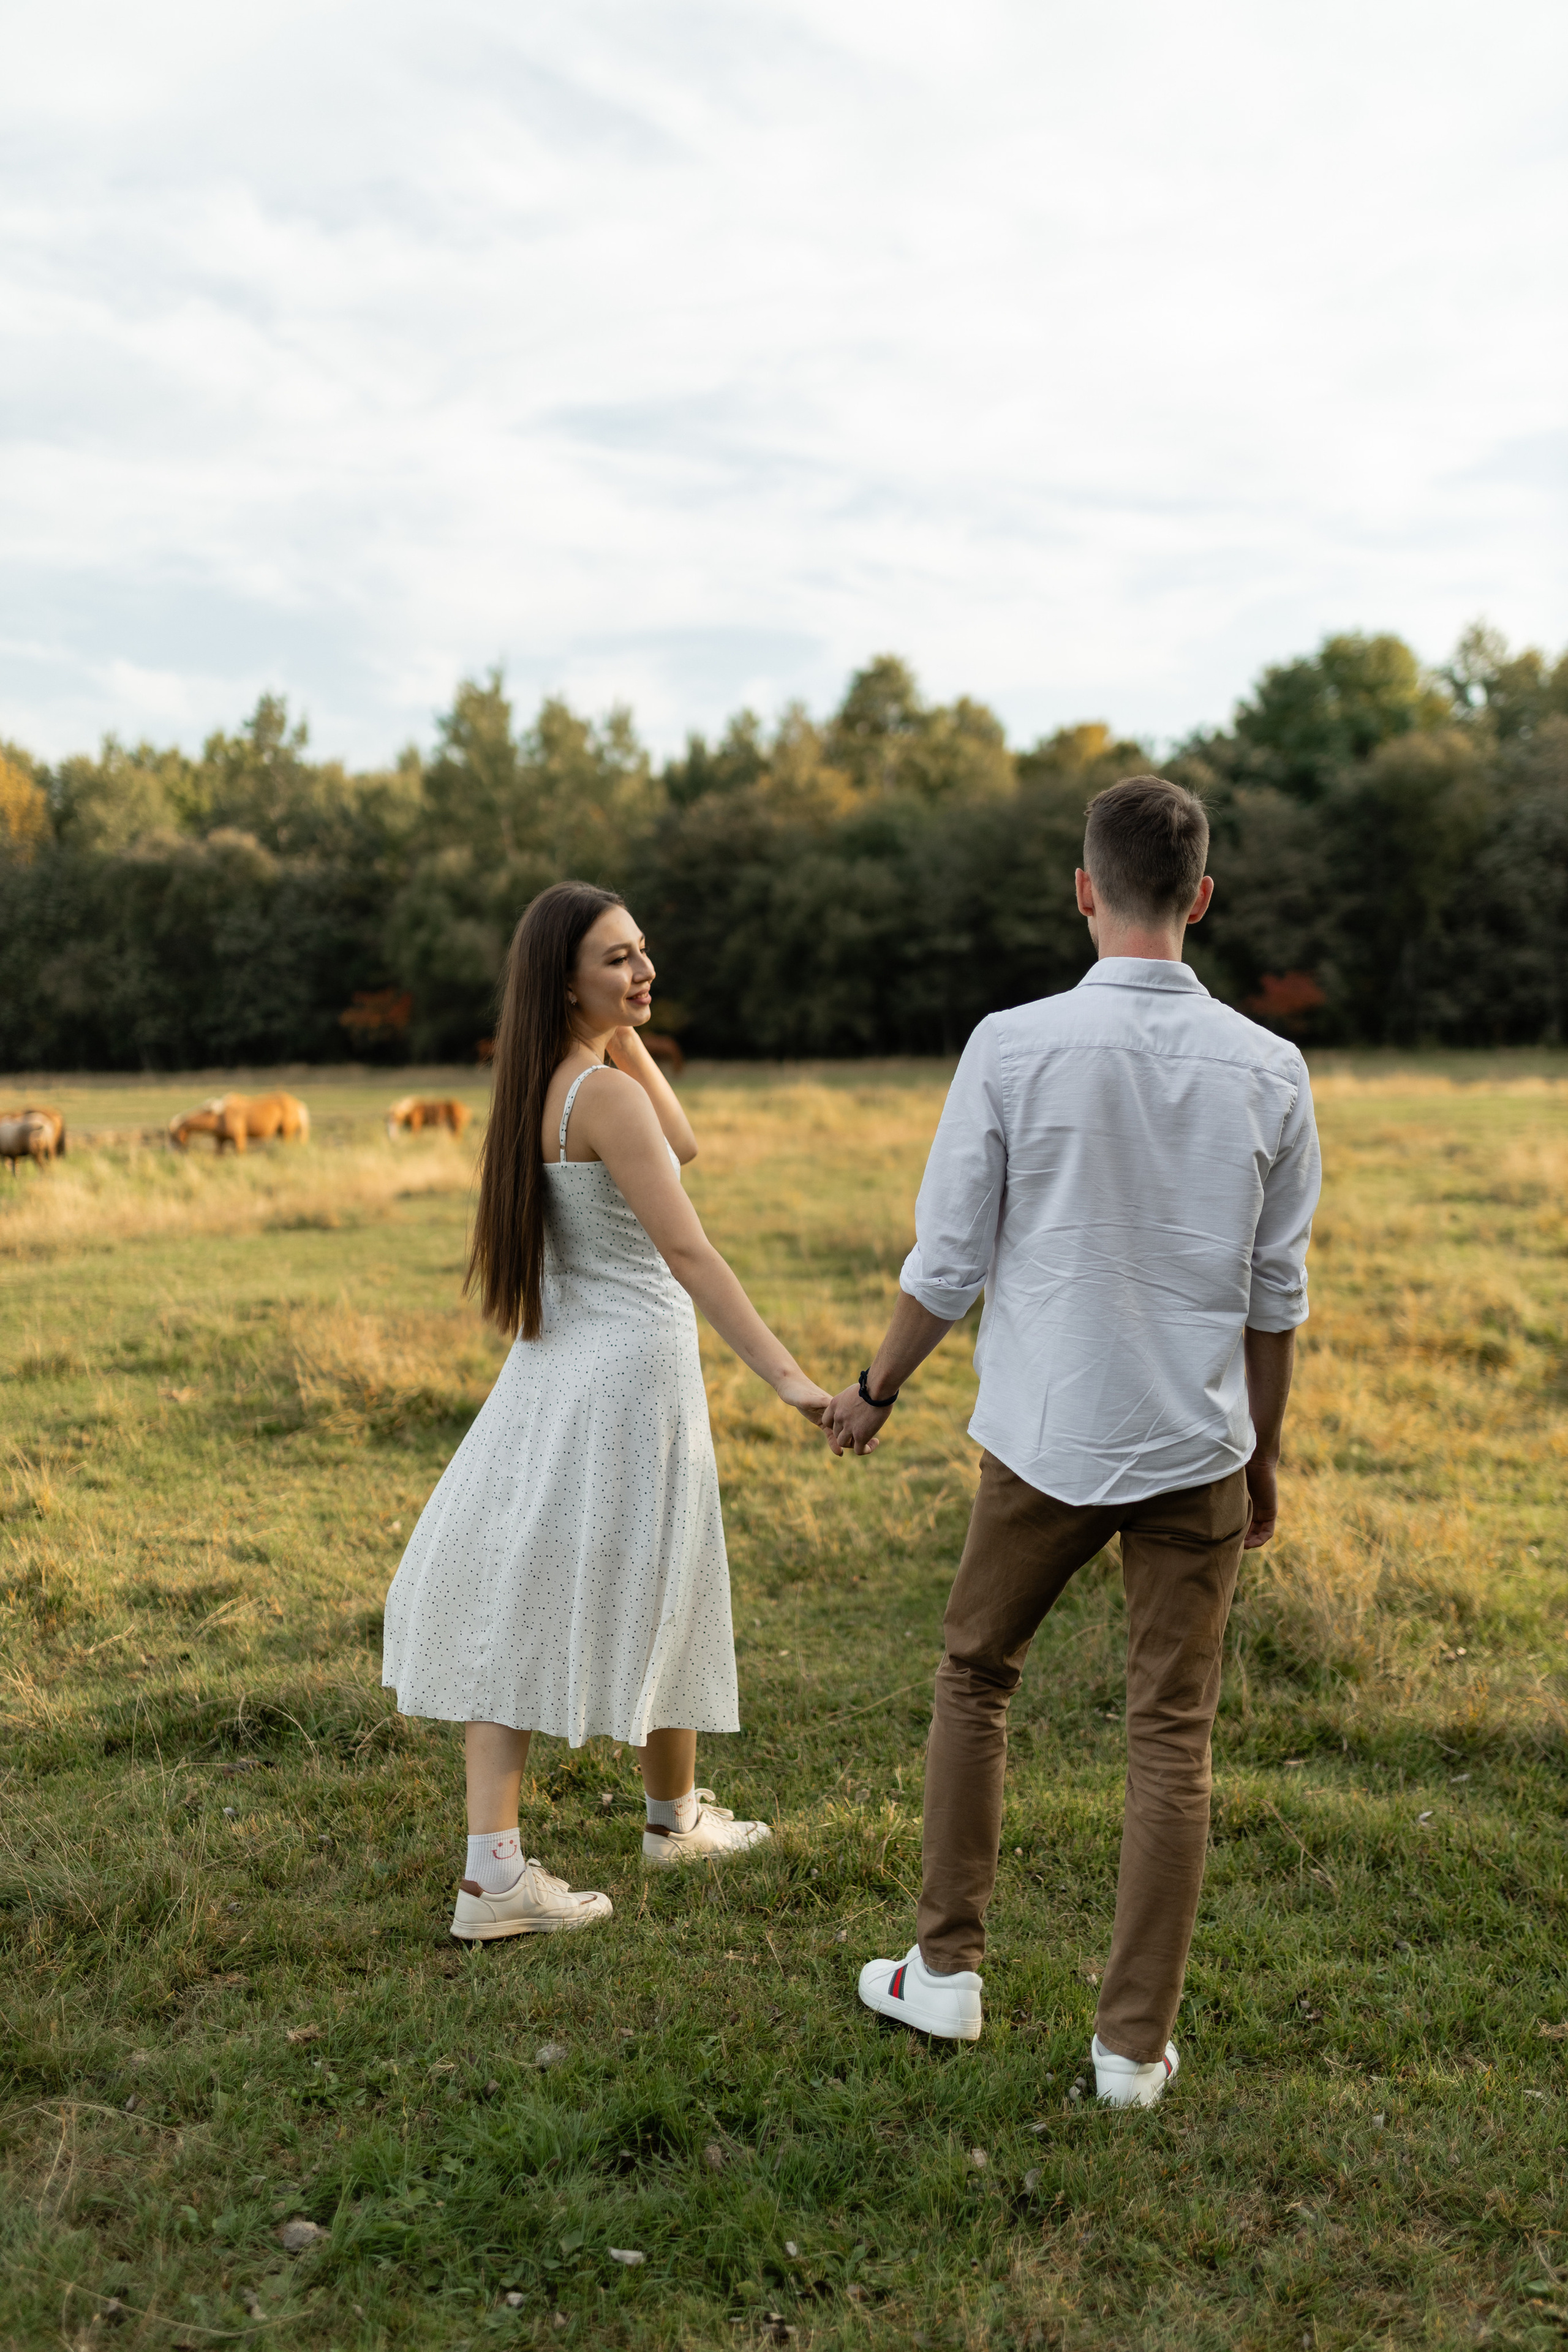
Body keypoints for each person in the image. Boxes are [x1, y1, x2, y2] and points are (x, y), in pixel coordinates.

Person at [822, 775, 1321, 2105]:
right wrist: (1260, 1454)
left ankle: (943, 1975)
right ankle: (1129, 2050)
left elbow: (947, 1261)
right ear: (1200, 899)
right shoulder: (1270, 1069)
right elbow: (1274, 1297)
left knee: (975, 1677)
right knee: (1170, 1735)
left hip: (1039, 1440)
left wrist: (873, 1388)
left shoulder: (1009, 1043)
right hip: (1195, 1445)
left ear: (1084, 891)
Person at [383, 881, 830, 1943]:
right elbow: (689, 1248)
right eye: (619, 961)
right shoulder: (602, 1096)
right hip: (629, 1371)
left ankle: (667, 1823)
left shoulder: (553, 1081)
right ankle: (507, 1877)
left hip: (560, 1366)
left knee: (580, 1581)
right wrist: (790, 1380)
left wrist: (620, 1033)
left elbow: (684, 1143)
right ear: (564, 980)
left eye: (643, 951)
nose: (645, 971)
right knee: (632, 1578)